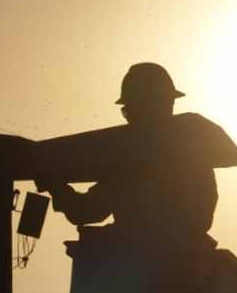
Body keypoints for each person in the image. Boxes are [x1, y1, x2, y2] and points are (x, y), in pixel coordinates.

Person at [36, 63, 218, 240]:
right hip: (179, 253)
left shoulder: (130, 163)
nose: (129, 117)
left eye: (129, 110)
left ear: (142, 109)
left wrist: (56, 186)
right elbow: (202, 218)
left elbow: (87, 211)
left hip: (142, 254)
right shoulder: (194, 153)